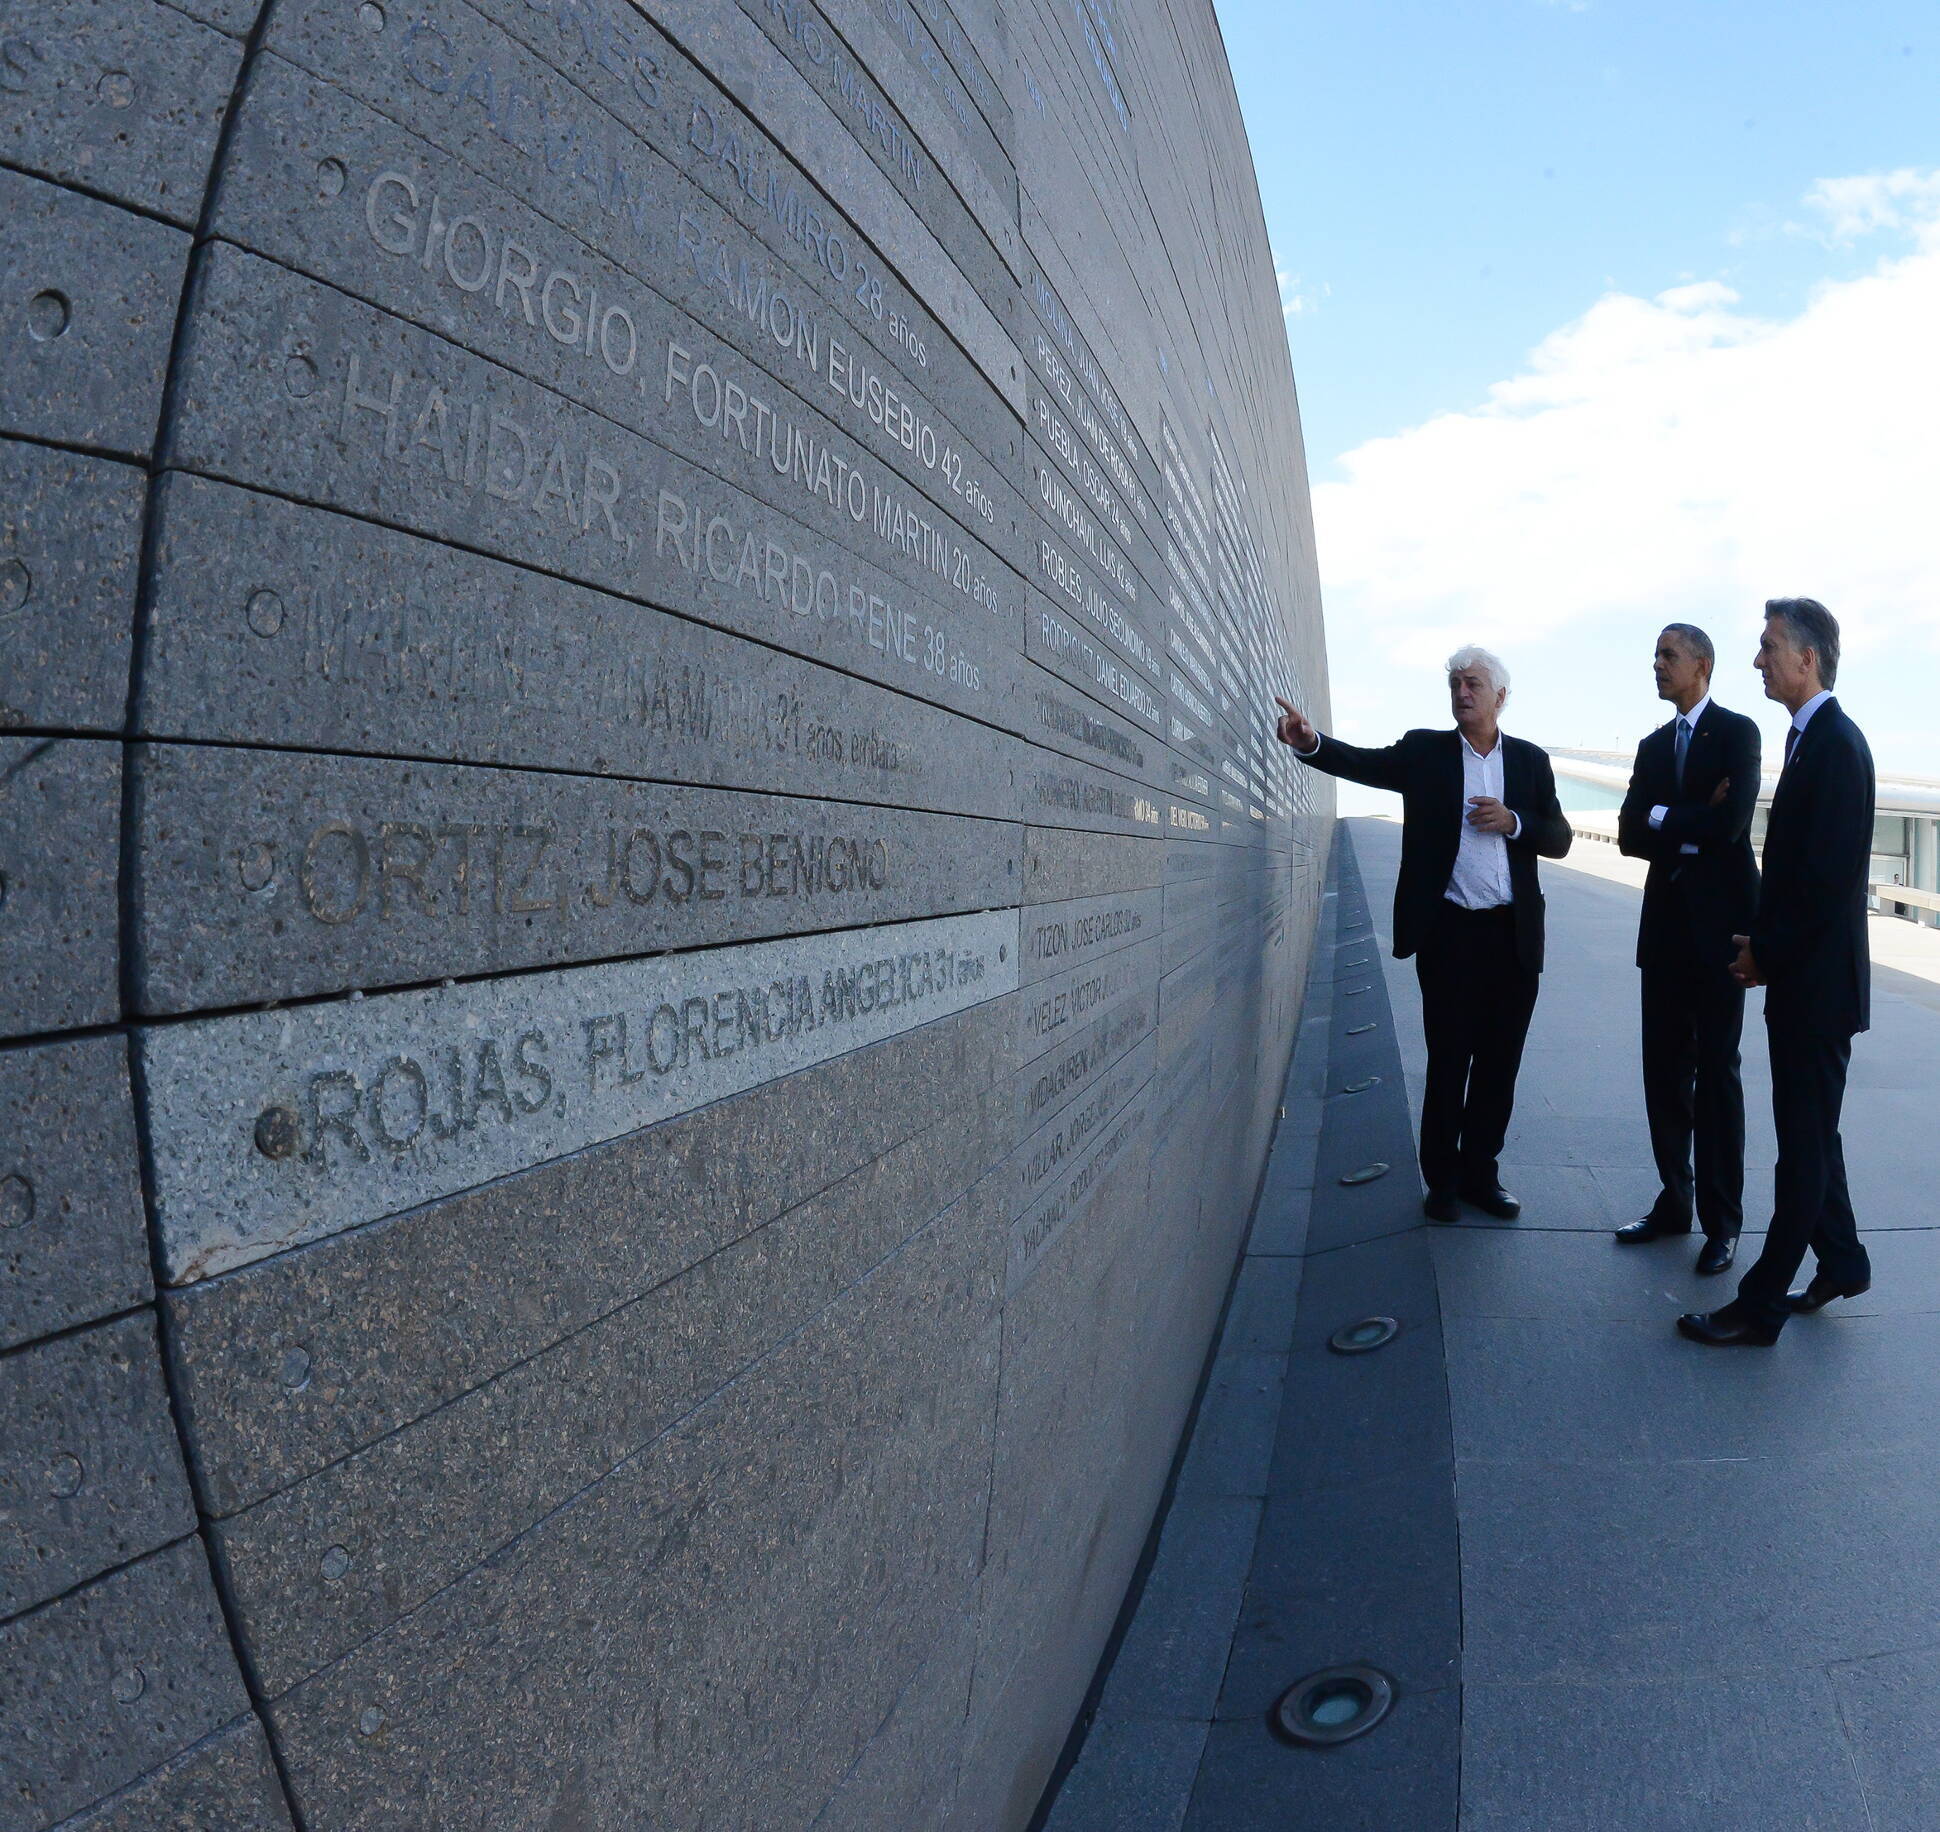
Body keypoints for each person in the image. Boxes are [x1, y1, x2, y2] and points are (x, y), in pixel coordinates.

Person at [1273, 647, 1571, 1222]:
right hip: (1450, 934)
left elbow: (1557, 836)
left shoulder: (1530, 762)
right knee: (1450, 1058)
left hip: (1513, 937)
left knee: (1500, 1063)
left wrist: (1514, 822)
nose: (1462, 693)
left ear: (1500, 697)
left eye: (1474, 684)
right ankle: (1443, 1180)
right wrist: (1310, 742)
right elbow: (1363, 764)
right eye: (1456, 684)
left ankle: (1483, 1174)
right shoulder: (1425, 753)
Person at [1680, 598, 1875, 1347]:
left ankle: (1758, 1307)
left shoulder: (1833, 746)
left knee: (1799, 1151)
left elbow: (1826, 886)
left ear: (1808, 659)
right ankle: (1845, 1262)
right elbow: (1797, 879)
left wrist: (1767, 953)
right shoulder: (1811, 741)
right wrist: (1762, 938)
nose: (1757, 661)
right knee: (1815, 1135)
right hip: (1809, 984)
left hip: (1817, 993)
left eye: (1767, 648)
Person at [1615, 625, 1761, 1276]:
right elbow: (1626, 833)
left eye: (1668, 656)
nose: (1657, 665)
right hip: (1665, 934)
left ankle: (1722, 1223)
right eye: (1655, 656)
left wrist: (1664, 818)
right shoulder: (1651, 746)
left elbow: (1732, 826)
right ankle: (1675, 1201)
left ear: (1702, 665)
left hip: (1722, 934)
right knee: (1663, 1074)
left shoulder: (1738, 733)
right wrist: (1689, 815)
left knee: (1717, 1079)